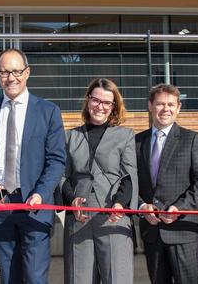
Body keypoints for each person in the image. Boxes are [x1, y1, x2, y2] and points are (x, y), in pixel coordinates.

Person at [0, 48, 66, 284]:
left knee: (35, 278)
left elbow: (56, 160)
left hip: (34, 206)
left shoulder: (48, 111)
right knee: (8, 277)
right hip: (0, 206)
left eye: (16, 71)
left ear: (27, 72)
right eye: (4, 72)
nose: (11, 77)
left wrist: (40, 193)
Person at [60, 78, 138, 284]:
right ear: (88, 100)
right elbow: (62, 176)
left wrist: (120, 203)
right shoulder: (70, 137)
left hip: (113, 216)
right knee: (79, 278)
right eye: (96, 100)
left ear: (114, 107)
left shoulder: (125, 135)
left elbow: (129, 176)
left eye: (107, 103)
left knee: (117, 278)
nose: (100, 107)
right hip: (79, 217)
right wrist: (71, 199)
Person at [135, 84, 198, 284]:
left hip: (183, 230)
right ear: (150, 106)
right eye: (160, 104)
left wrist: (181, 207)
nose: (165, 109)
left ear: (178, 107)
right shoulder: (136, 142)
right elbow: (130, 182)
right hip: (151, 232)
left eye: (171, 104)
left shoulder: (192, 139)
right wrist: (142, 206)